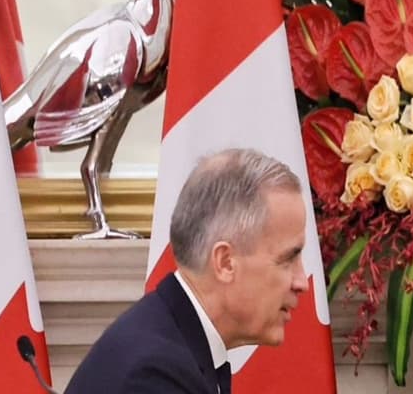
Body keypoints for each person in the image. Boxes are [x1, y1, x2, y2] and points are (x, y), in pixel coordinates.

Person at [65, 148, 309, 393]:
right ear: (225, 262)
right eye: (288, 259)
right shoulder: (153, 377)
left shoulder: (173, 344)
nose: (302, 282)